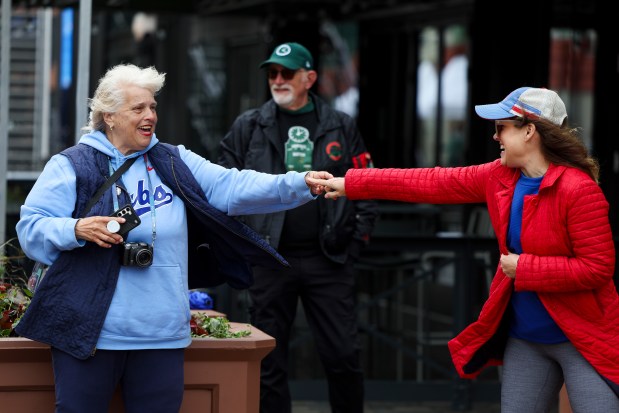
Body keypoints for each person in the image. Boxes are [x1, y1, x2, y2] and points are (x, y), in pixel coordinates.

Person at [14, 63, 332, 413]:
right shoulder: (71, 165)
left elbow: (234, 186)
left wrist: (300, 183)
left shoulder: (173, 160)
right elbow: (31, 228)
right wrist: (74, 229)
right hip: (89, 336)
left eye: (152, 107)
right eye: (138, 108)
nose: (150, 115)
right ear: (109, 116)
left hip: (161, 336)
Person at [310, 87, 619, 412]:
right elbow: (430, 181)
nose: (494, 135)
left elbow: (597, 268)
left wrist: (525, 268)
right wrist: (352, 184)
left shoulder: (579, 189)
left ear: (530, 131)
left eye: (502, 127)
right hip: (526, 338)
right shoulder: (501, 176)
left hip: (583, 338)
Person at [218, 42, 378, 413]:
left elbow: (366, 184)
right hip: (270, 258)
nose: (277, 80)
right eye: (272, 73)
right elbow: (222, 185)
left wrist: (355, 245)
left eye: (286, 73)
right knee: (268, 359)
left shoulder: (340, 124)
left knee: (342, 355)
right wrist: (243, 242)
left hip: (329, 258)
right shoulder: (249, 125)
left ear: (310, 78)